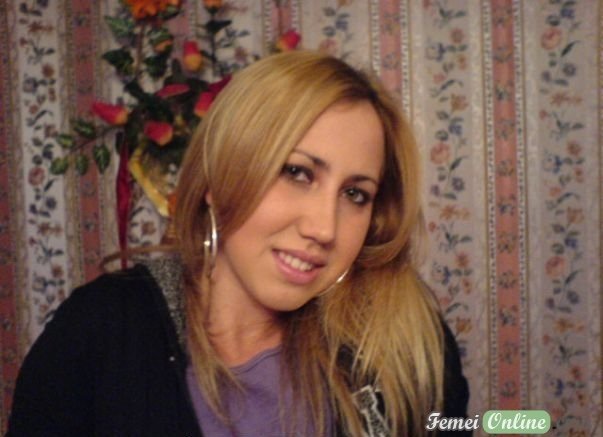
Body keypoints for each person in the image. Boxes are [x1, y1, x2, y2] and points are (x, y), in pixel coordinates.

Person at [8, 51, 469, 436]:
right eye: (296, 172)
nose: (324, 229)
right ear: (218, 177)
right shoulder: (100, 332)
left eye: (355, 195)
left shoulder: (406, 336)